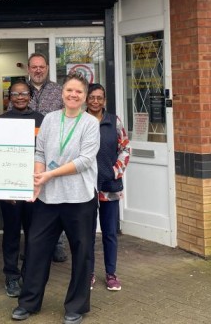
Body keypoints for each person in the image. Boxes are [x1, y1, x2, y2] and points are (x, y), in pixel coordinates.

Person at [11, 74, 100, 324]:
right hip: (48, 199)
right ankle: (28, 303)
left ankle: (76, 306)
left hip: (79, 199)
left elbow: (84, 161)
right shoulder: (50, 119)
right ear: (62, 93)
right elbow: (39, 152)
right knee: (36, 249)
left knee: (82, 252)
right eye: (69, 90)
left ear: (84, 97)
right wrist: (38, 181)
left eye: (79, 92)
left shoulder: (90, 123)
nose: (73, 95)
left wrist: (49, 174)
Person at [18, 53, 68, 262]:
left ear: (47, 67)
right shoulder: (20, 91)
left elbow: (67, 118)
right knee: (30, 202)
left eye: (41, 66)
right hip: (26, 154)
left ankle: (57, 244)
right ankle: (32, 245)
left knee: (54, 198)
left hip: (53, 154)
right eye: (34, 67)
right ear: (28, 69)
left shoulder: (58, 91)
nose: (38, 70)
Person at [0, 79, 44, 298]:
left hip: (34, 186)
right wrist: (5, 189)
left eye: (24, 93)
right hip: (10, 189)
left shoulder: (41, 120)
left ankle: (29, 274)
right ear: (9, 97)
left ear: (30, 96)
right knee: (11, 233)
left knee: (34, 233)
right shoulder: (1, 121)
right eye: (15, 94)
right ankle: (11, 275)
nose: (20, 97)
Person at [86, 83, 130, 292]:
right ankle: (88, 273)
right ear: (86, 99)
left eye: (99, 98)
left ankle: (111, 273)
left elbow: (125, 148)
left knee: (110, 232)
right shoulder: (80, 120)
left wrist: (115, 171)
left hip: (110, 185)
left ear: (104, 100)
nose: (95, 101)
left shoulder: (114, 121)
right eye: (91, 97)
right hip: (85, 186)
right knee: (86, 233)